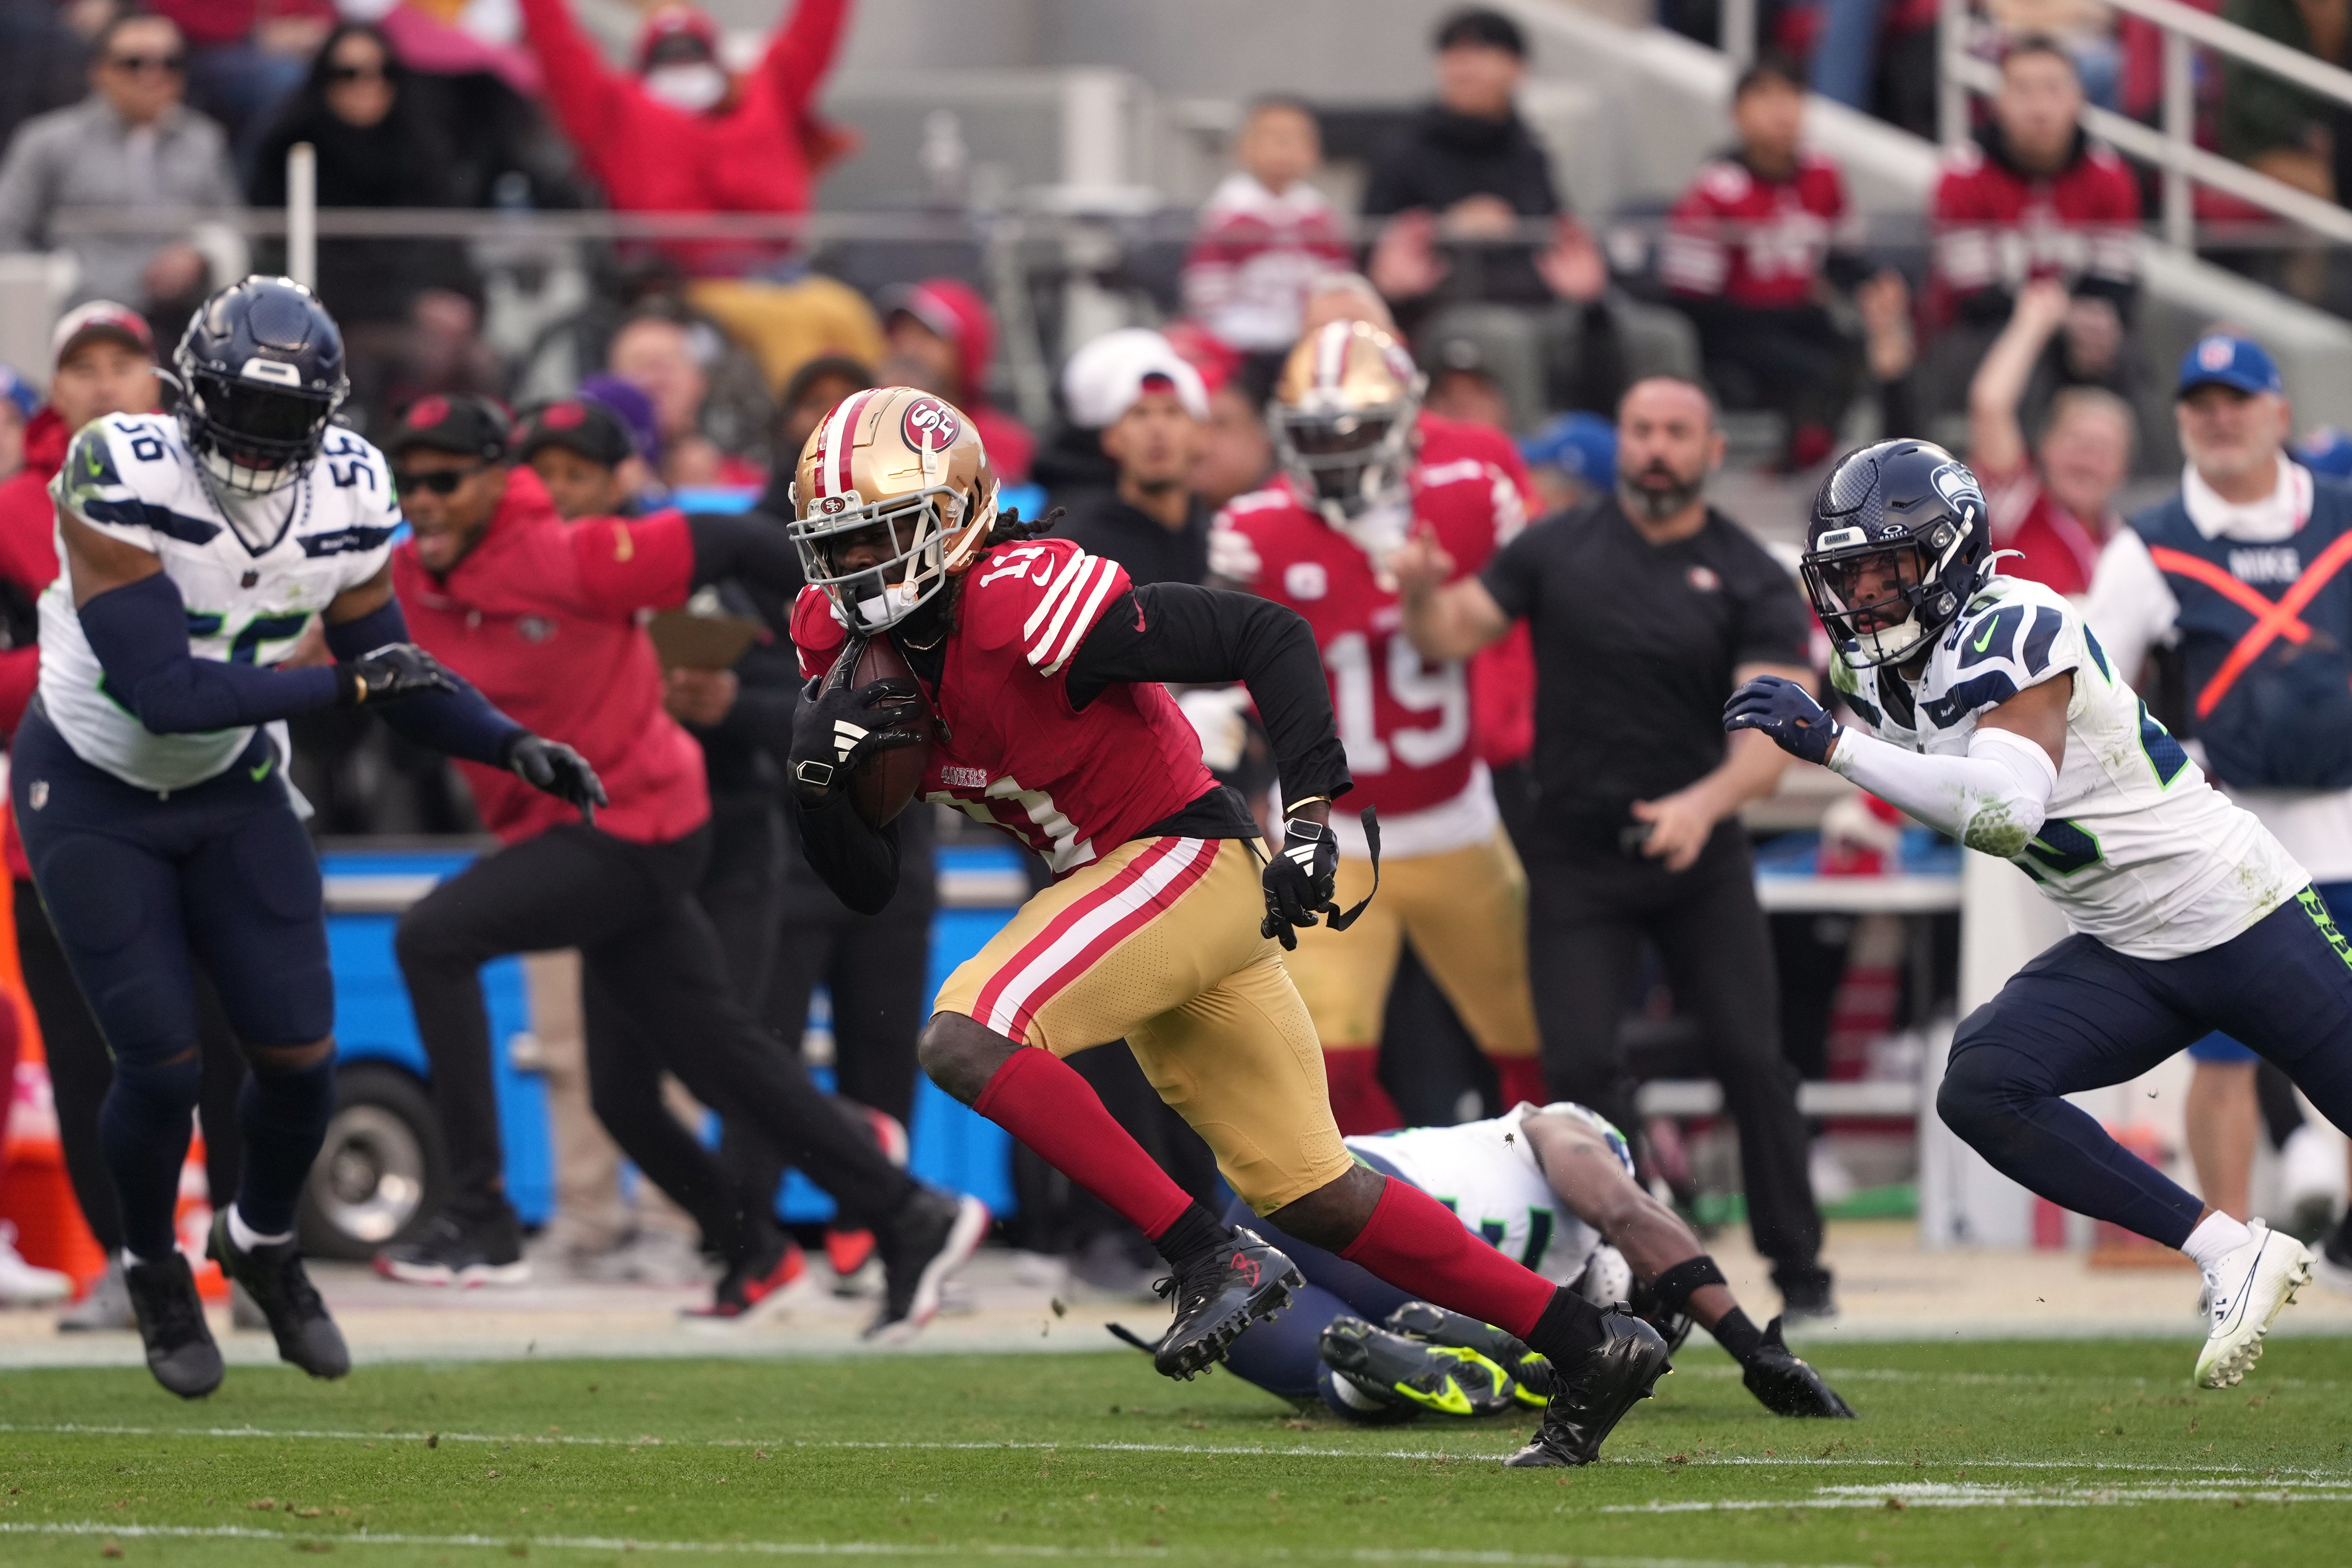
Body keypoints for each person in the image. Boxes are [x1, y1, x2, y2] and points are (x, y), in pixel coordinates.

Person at [783, 383, 1671, 1467]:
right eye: (840, 542)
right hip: (1129, 893)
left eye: (882, 533)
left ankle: (1208, 1257)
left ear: (955, 512)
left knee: (966, 1034)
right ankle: (1586, 1344)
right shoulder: (833, 638)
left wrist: (1309, 819)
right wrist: (820, 791)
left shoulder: (1019, 599)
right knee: (1313, 1191)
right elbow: (864, 883)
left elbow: (1265, 632)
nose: (858, 567)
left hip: (1179, 855)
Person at [17, 275, 596, 1397]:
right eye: (244, 411)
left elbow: (392, 667)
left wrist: (507, 740)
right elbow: (161, 693)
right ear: (191, 395)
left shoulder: (348, 485)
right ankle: (150, 1268)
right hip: (96, 784)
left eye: (289, 422)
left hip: (234, 784)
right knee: (162, 1063)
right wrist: (346, 687)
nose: (262, 445)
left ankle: (265, 1241)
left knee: (300, 1060)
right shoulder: (117, 467)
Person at [1727, 435, 2349, 1389]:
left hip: (2239, 914)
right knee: (1982, 1084)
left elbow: (2003, 809)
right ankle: (2230, 1250)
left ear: (1948, 556)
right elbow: (1924, 769)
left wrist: (1837, 754)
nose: (1863, 597)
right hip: (2126, 946)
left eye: (1886, 568)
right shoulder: (1870, 672)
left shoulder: (2015, 624)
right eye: (1848, 575)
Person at [373, 394, 986, 1331]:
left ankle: (481, 1212)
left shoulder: (568, 553)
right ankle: (866, 1223)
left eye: (446, 478)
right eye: (408, 479)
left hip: (639, 825)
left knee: (431, 938)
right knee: (661, 1082)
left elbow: (736, 546)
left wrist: (865, 635)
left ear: (499, 479)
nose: (424, 498)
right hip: (569, 837)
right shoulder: (405, 576)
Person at [1392, 377, 1835, 1319]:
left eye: (1678, 431)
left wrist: (1701, 804)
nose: (1656, 449)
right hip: (1576, 851)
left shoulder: (1750, 573)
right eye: (1640, 430)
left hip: (1697, 851)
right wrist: (1422, 592)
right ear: (1622, 442)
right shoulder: (1558, 546)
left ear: (1714, 449)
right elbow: (1455, 632)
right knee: (1582, 1068)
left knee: (1752, 1056)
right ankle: (1641, 1261)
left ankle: (1801, 1273)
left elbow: (1773, 733)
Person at [1212, 320, 1544, 1135]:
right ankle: (1396, 1226)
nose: (1337, 454)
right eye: (1317, 436)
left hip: (1458, 821)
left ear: (1406, 419)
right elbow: (1219, 695)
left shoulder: (1473, 499)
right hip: (1333, 839)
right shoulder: (1253, 530)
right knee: (1328, 1073)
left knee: (1533, 1051)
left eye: (1357, 430)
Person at [0, 302, 257, 1331]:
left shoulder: (225, 490)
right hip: (59, 825)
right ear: (55, 392)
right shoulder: (15, 511)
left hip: (209, 802)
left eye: (123, 362)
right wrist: (109, 660)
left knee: (232, 1037)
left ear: (157, 382)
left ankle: (248, 1249)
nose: (104, 382)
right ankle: (131, 1264)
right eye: (82, 367)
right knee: (85, 1054)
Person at [2085, 333, 2352, 1293]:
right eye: (2198, 402)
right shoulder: (2150, 544)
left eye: (2236, 399)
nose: (2217, 417)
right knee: (2226, 1053)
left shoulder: (2344, 517)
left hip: (2345, 818)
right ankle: (2230, 1258)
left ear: (2277, 411)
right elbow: (2086, 689)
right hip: (2225, 841)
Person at [1217, 1098, 1852, 1424]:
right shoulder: (1560, 1129)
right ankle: (1419, 1358)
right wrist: (1747, 1342)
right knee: (1494, 1340)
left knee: (1313, 1345)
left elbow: (1633, 1226)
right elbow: (1628, 1212)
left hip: (1266, 1209)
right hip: (1364, 1203)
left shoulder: (1554, 1280)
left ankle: (1369, 1375)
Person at [517, 0, 882, 391]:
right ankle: (808, 441)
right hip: (685, 288)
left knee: (847, 313)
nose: (682, 67)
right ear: (644, 66)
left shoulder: (768, 92)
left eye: (693, 54)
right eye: (667, 58)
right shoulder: (615, 113)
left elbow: (815, 32)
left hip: (785, 277)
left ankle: (891, 429)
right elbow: (558, 50)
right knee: (788, 326)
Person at [1360, 8, 1619, 423]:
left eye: (1480, 53)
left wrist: (1582, 278)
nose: (1463, 66)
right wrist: (1445, 229)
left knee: (1649, 333)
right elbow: (1369, 253)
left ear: (1517, 68)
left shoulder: (1530, 152)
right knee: (1507, 337)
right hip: (1440, 310)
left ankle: (1623, 463)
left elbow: (1558, 230)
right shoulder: (1403, 151)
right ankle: (1527, 470)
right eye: (1452, 54)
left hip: (1537, 298)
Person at [248, 24, 477, 426]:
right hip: (333, 317)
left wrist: (449, 296)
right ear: (325, 80)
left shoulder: (419, 145)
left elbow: (448, 242)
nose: (367, 85)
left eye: (382, 72)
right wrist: (410, 301)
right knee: (421, 357)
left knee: (480, 362)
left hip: (419, 310)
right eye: (349, 74)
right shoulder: (291, 146)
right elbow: (287, 255)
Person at [1661, 54, 1865, 472]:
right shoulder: (1715, 189)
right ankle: (1797, 468)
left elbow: (1845, 259)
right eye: (1765, 98)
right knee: (1809, 369)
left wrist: (1875, 287)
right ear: (1736, 114)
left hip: (1802, 315)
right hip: (1737, 325)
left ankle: (1841, 461)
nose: (1781, 111)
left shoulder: (1823, 174)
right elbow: (1690, 298)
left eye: (1792, 97)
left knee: (1863, 348)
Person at [0, 12, 240, 323]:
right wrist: (56, 277)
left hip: (182, 318)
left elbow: (238, 225)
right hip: (78, 319)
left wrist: (199, 253)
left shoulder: (203, 140)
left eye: (171, 63)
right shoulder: (49, 140)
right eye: (134, 63)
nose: (154, 75)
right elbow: (8, 230)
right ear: (99, 71)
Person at [1930, 38, 2138, 338]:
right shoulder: (1961, 175)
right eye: (2022, 91)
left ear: (2079, 98)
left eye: (2053, 89)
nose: (2039, 109)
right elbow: (1973, 299)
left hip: (2078, 339)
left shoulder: (2110, 174)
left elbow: (2113, 282)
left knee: (2112, 348)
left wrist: (2080, 322)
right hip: (1981, 339)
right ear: (1997, 102)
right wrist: (2046, 320)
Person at [1967, 279, 2135, 599]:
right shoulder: (2019, 505)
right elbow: (1989, 406)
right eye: (2076, 443)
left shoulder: (2126, 543)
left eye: (2102, 450)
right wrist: (2033, 322)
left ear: (2122, 468)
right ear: (2045, 447)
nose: (2086, 459)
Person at [1180, 98, 1351, 367]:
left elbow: (1338, 281)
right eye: (1273, 138)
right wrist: (1226, 329)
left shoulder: (1319, 217)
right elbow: (1206, 287)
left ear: (1315, 152)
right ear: (1242, 149)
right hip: (1235, 342)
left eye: (1295, 140)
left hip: (1307, 341)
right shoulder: (1227, 214)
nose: (1284, 149)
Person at [1053, 335, 1214, 589]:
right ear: (1111, 438)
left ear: (1202, 434)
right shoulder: (1078, 554)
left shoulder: (1226, 545)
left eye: (1173, 412)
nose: (1157, 429)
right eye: (1140, 414)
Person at [878, 280, 1034, 485]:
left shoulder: (1003, 446)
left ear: (967, 351)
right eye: (901, 333)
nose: (908, 348)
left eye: (927, 335)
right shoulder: (860, 434)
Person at [606, 313, 764, 491]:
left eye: (668, 365)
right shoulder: (589, 484)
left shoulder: (748, 483)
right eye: (639, 365)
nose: (654, 382)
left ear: (702, 381)